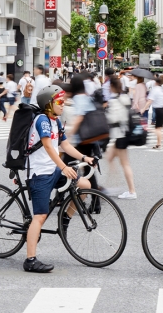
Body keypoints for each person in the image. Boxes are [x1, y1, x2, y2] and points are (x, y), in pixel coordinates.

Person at [23, 85, 94, 273]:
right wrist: (63, 167)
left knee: (84, 185)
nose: (63, 104)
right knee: (40, 216)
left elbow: (65, 145)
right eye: (60, 102)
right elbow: (48, 146)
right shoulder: (42, 120)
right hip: (39, 173)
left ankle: (64, 219)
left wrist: (84, 158)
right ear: (49, 104)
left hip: (53, 170)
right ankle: (30, 260)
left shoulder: (56, 121)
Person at [105, 75, 137, 200]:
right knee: (109, 158)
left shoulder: (114, 100)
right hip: (123, 134)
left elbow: (113, 119)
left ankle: (131, 191)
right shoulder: (124, 97)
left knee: (125, 164)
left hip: (120, 136)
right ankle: (113, 185)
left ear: (112, 86)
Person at [143, 75, 163, 150]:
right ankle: (158, 143)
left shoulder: (155, 90)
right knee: (159, 128)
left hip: (158, 110)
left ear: (156, 82)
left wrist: (143, 109)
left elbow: (150, 101)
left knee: (157, 129)